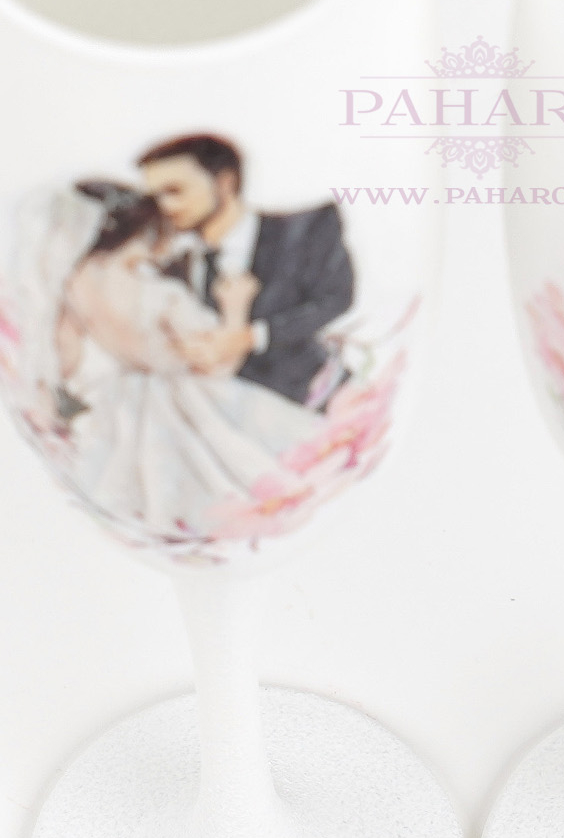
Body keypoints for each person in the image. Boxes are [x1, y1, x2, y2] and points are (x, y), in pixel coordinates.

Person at [43, 182, 322, 539]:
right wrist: (235, 310)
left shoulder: (75, 284)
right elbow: (218, 364)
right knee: (223, 465)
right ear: (146, 233)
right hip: (183, 399)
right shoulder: (160, 294)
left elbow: (65, 354)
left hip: (120, 401)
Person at [138, 134, 355, 408]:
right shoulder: (172, 268)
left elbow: (336, 298)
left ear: (225, 183)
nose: (164, 206)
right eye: (155, 197)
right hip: (226, 414)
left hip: (319, 402)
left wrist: (251, 337)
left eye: (175, 191)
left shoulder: (303, 231)